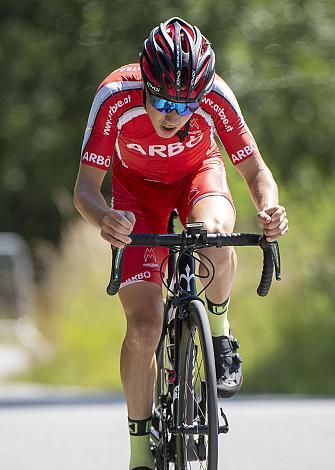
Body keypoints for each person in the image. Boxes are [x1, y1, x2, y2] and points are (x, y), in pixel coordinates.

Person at [74, 17, 288, 470]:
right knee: (145, 328)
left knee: (212, 232)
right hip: (136, 196)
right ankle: (139, 456)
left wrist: (269, 208)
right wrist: (105, 218)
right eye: (164, 100)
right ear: (145, 82)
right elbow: (86, 189)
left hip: (197, 176)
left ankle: (220, 334)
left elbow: (255, 173)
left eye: (187, 104)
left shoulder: (216, 97)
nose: (173, 114)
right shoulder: (115, 96)